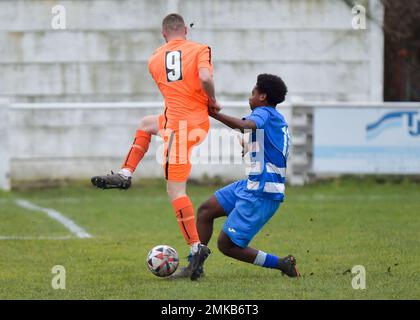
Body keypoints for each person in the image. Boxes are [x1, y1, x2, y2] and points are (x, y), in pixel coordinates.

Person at [91, 13, 221, 281]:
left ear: (163, 34)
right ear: (185, 29)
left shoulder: (154, 59)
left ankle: (197, 250)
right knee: (147, 124)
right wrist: (213, 101)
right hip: (195, 123)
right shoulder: (200, 48)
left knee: (175, 191)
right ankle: (126, 173)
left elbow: (174, 91)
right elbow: (205, 78)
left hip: (179, 128)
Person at [174, 74, 300, 279]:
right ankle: (194, 266)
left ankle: (281, 263)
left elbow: (246, 126)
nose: (250, 97)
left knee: (227, 245)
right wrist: (249, 147)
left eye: (253, 93)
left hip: (262, 192)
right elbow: (270, 147)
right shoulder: (275, 119)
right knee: (206, 211)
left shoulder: (264, 113)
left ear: (262, 97)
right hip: (252, 185)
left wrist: (213, 114)